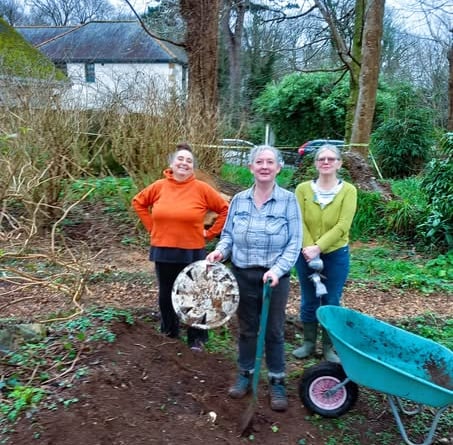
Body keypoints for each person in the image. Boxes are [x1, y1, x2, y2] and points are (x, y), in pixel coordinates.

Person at [206, 145, 302, 412]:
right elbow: (227, 235)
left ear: (278, 168)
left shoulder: (288, 200)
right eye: (259, 161)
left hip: (274, 278)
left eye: (269, 162)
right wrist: (219, 251)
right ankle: (245, 374)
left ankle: (277, 381)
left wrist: (277, 270)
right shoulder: (239, 200)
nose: (264, 166)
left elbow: (295, 243)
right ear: (251, 167)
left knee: (273, 331)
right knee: (247, 329)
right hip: (244, 274)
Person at [132, 142, 229, 351]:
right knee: (166, 293)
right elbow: (138, 202)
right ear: (172, 163)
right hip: (163, 248)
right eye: (180, 159)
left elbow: (224, 209)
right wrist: (152, 227)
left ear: (193, 167)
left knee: (195, 293)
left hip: (192, 249)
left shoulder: (202, 189)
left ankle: (197, 338)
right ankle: (169, 332)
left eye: (189, 161)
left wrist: (210, 233)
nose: (184, 163)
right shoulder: (158, 186)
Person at [292, 144, 357, 363]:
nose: (326, 162)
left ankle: (328, 347)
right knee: (309, 299)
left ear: (339, 163)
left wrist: (318, 247)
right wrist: (309, 249)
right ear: (316, 163)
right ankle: (309, 343)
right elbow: (298, 220)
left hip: (335, 254)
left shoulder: (348, 190)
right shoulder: (302, 189)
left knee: (331, 299)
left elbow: (343, 225)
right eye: (321, 159)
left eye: (331, 159)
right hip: (305, 254)